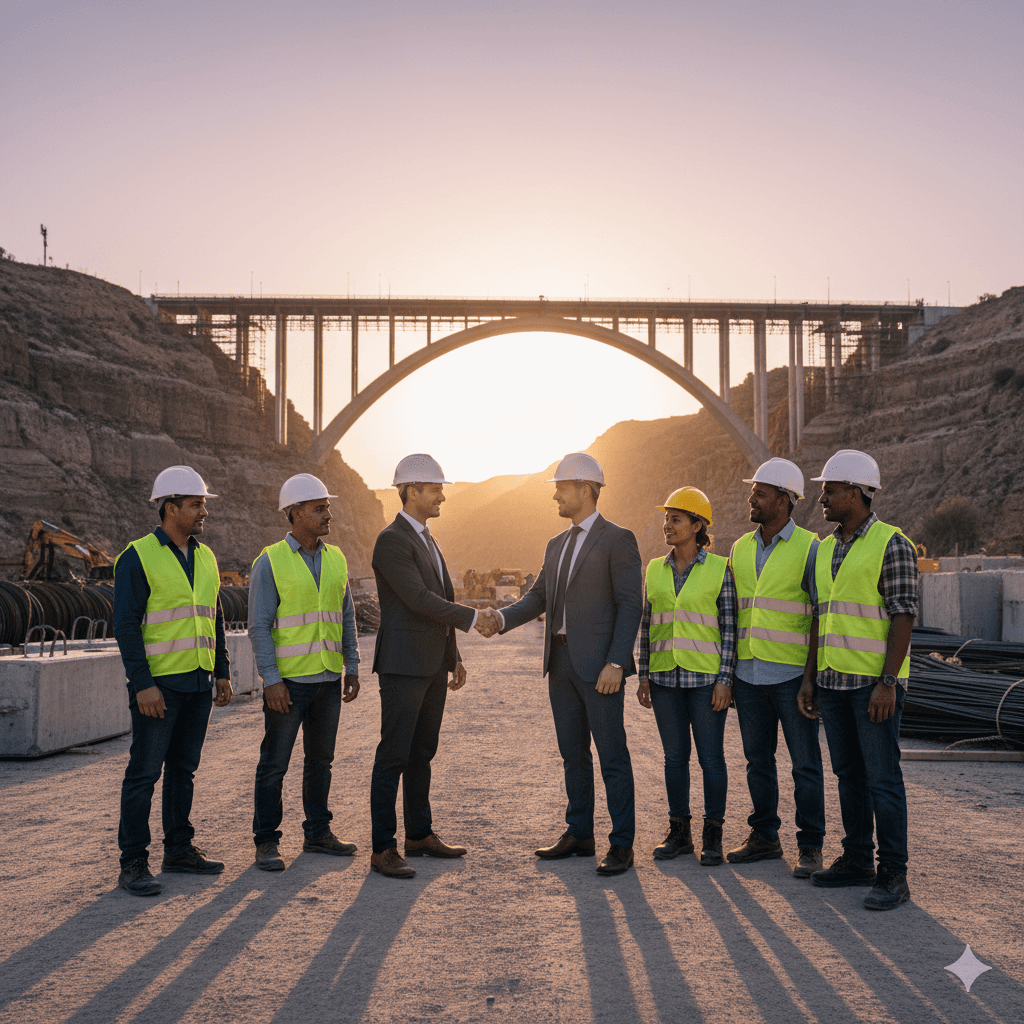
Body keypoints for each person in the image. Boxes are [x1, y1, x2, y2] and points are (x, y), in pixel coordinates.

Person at [483, 453, 642, 876]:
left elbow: (631, 605)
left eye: (561, 487)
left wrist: (616, 662)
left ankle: (622, 843)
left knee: (612, 755)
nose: (555, 493)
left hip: (600, 667)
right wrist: (499, 619)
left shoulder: (618, 539)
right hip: (561, 662)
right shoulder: (555, 544)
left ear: (585, 489)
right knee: (573, 753)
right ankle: (579, 833)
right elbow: (538, 598)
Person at [369, 454, 499, 878]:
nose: (443, 493)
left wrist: (453, 656)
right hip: (403, 666)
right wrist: (474, 617)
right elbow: (419, 600)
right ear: (410, 491)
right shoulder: (392, 541)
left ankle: (418, 835)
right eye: (435, 488)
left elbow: (436, 595)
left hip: (431, 666)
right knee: (393, 755)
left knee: (422, 753)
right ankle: (383, 847)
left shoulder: (427, 538)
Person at [799, 450, 918, 911]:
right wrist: (810, 677)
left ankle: (893, 874)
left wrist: (888, 681)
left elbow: (903, 615)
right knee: (848, 774)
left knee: (882, 778)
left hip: (873, 687)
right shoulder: (825, 548)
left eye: (829, 489)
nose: (822, 497)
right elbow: (818, 617)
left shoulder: (893, 543)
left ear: (855, 492)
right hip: (831, 684)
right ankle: (856, 859)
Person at [113, 466, 232, 896]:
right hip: (158, 687)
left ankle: (179, 848)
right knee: (144, 774)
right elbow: (126, 625)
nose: (204, 512)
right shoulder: (137, 556)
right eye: (196, 504)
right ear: (170, 508)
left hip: (198, 683)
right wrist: (142, 683)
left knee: (184, 770)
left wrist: (222, 670)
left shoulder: (206, 556)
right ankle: (133, 862)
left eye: (202, 505)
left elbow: (213, 616)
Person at [249, 473, 361, 871]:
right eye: (319, 508)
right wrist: (272, 680)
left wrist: (352, 665)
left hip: (329, 679)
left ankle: (317, 832)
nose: (328, 514)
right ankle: (266, 841)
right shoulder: (270, 561)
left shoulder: (336, 559)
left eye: (327, 507)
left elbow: (345, 615)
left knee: (320, 762)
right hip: (290, 684)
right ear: (295, 513)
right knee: (274, 763)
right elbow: (259, 625)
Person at [726, 458, 825, 878]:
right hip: (748, 676)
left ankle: (810, 845)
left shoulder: (811, 547)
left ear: (785, 501)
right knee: (757, 762)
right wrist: (729, 673)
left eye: (761, 493)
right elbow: (732, 614)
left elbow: (820, 615)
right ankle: (765, 836)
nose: (752, 498)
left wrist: (810, 678)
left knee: (805, 764)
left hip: (790, 678)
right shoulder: (739, 548)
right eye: (754, 491)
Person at [635, 487, 736, 867]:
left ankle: (713, 836)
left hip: (706, 680)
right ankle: (680, 833)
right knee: (674, 758)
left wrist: (726, 680)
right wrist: (643, 674)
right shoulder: (654, 569)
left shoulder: (719, 568)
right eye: (666, 519)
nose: (667, 525)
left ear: (697, 526)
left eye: (676, 519)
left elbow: (729, 628)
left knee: (711, 758)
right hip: (664, 680)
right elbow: (647, 626)